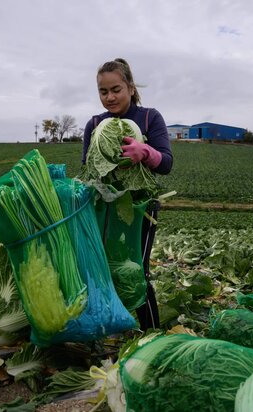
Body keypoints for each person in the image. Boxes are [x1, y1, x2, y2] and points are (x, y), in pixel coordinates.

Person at [82, 58, 173, 330]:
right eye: (103, 91)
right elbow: (87, 169)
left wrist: (146, 152)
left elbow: (167, 163)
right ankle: (107, 329)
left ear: (130, 88)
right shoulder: (95, 124)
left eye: (116, 89)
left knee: (137, 271)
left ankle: (150, 332)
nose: (110, 97)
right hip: (105, 209)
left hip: (140, 208)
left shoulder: (149, 117)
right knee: (103, 269)